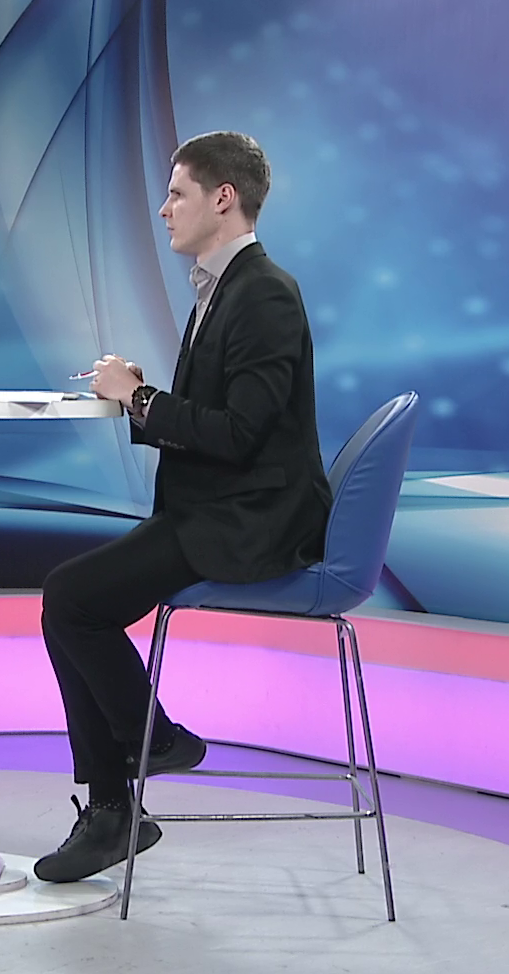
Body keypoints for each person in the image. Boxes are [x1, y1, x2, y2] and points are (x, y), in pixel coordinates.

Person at [34, 131, 331, 883]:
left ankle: (141, 761)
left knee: (70, 599)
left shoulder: (264, 292)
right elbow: (217, 417)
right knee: (72, 600)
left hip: (250, 520)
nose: (163, 209)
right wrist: (141, 394)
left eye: (176, 193)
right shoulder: (224, 288)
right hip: (216, 509)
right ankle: (122, 792)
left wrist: (138, 397)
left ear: (222, 198)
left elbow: (238, 434)